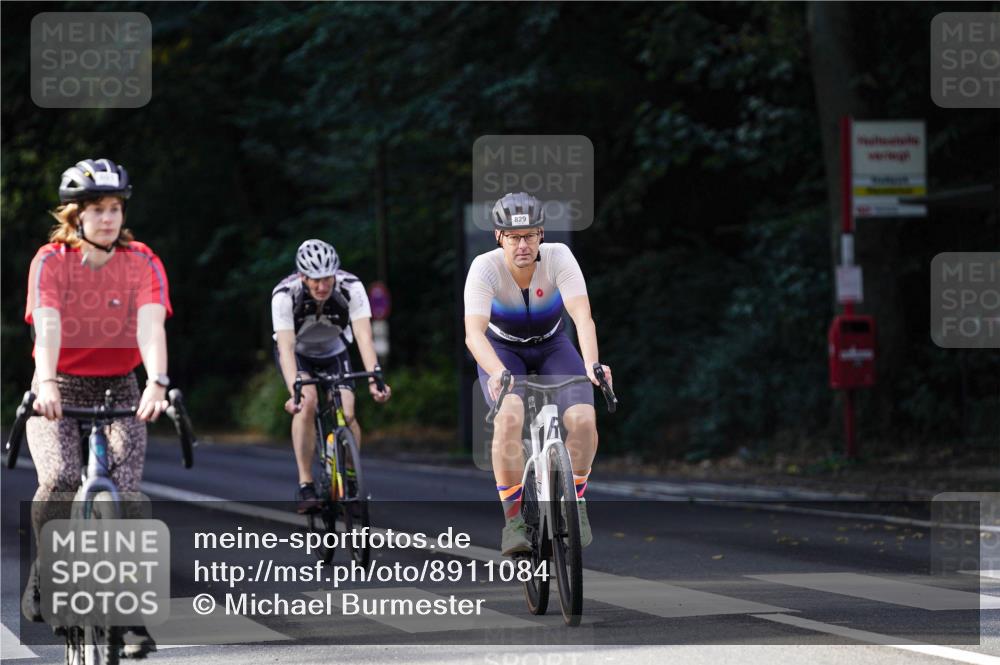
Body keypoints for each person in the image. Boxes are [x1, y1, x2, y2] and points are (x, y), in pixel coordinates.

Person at [21, 158, 171, 657]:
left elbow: (151, 326)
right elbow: (47, 327)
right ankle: (47, 566)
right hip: (60, 384)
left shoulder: (143, 261)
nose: (107, 218)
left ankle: (127, 616)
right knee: (62, 477)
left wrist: (156, 383)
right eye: (95, 209)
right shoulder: (51, 260)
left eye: (113, 208)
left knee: (126, 497)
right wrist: (46, 383)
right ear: (75, 215)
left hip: (122, 389)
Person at [464, 192, 612, 556]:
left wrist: (593, 363)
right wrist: (497, 372)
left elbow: (582, 316)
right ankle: (513, 520)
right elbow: (473, 333)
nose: (522, 245)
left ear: (541, 234)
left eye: (530, 235)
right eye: (514, 237)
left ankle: (575, 501)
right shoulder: (485, 268)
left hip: (552, 344)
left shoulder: (560, 257)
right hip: (502, 350)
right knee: (509, 418)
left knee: (583, 420)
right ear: (500, 238)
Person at [271, 239, 391, 513]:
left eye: (327, 278)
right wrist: (295, 393)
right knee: (308, 402)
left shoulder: (351, 287)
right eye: (315, 280)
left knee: (348, 413)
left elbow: (363, 335)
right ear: (302, 277)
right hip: (299, 354)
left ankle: (350, 477)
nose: (322, 286)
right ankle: (306, 484)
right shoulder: (284, 295)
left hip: (335, 350)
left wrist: (375, 377)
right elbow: (286, 348)